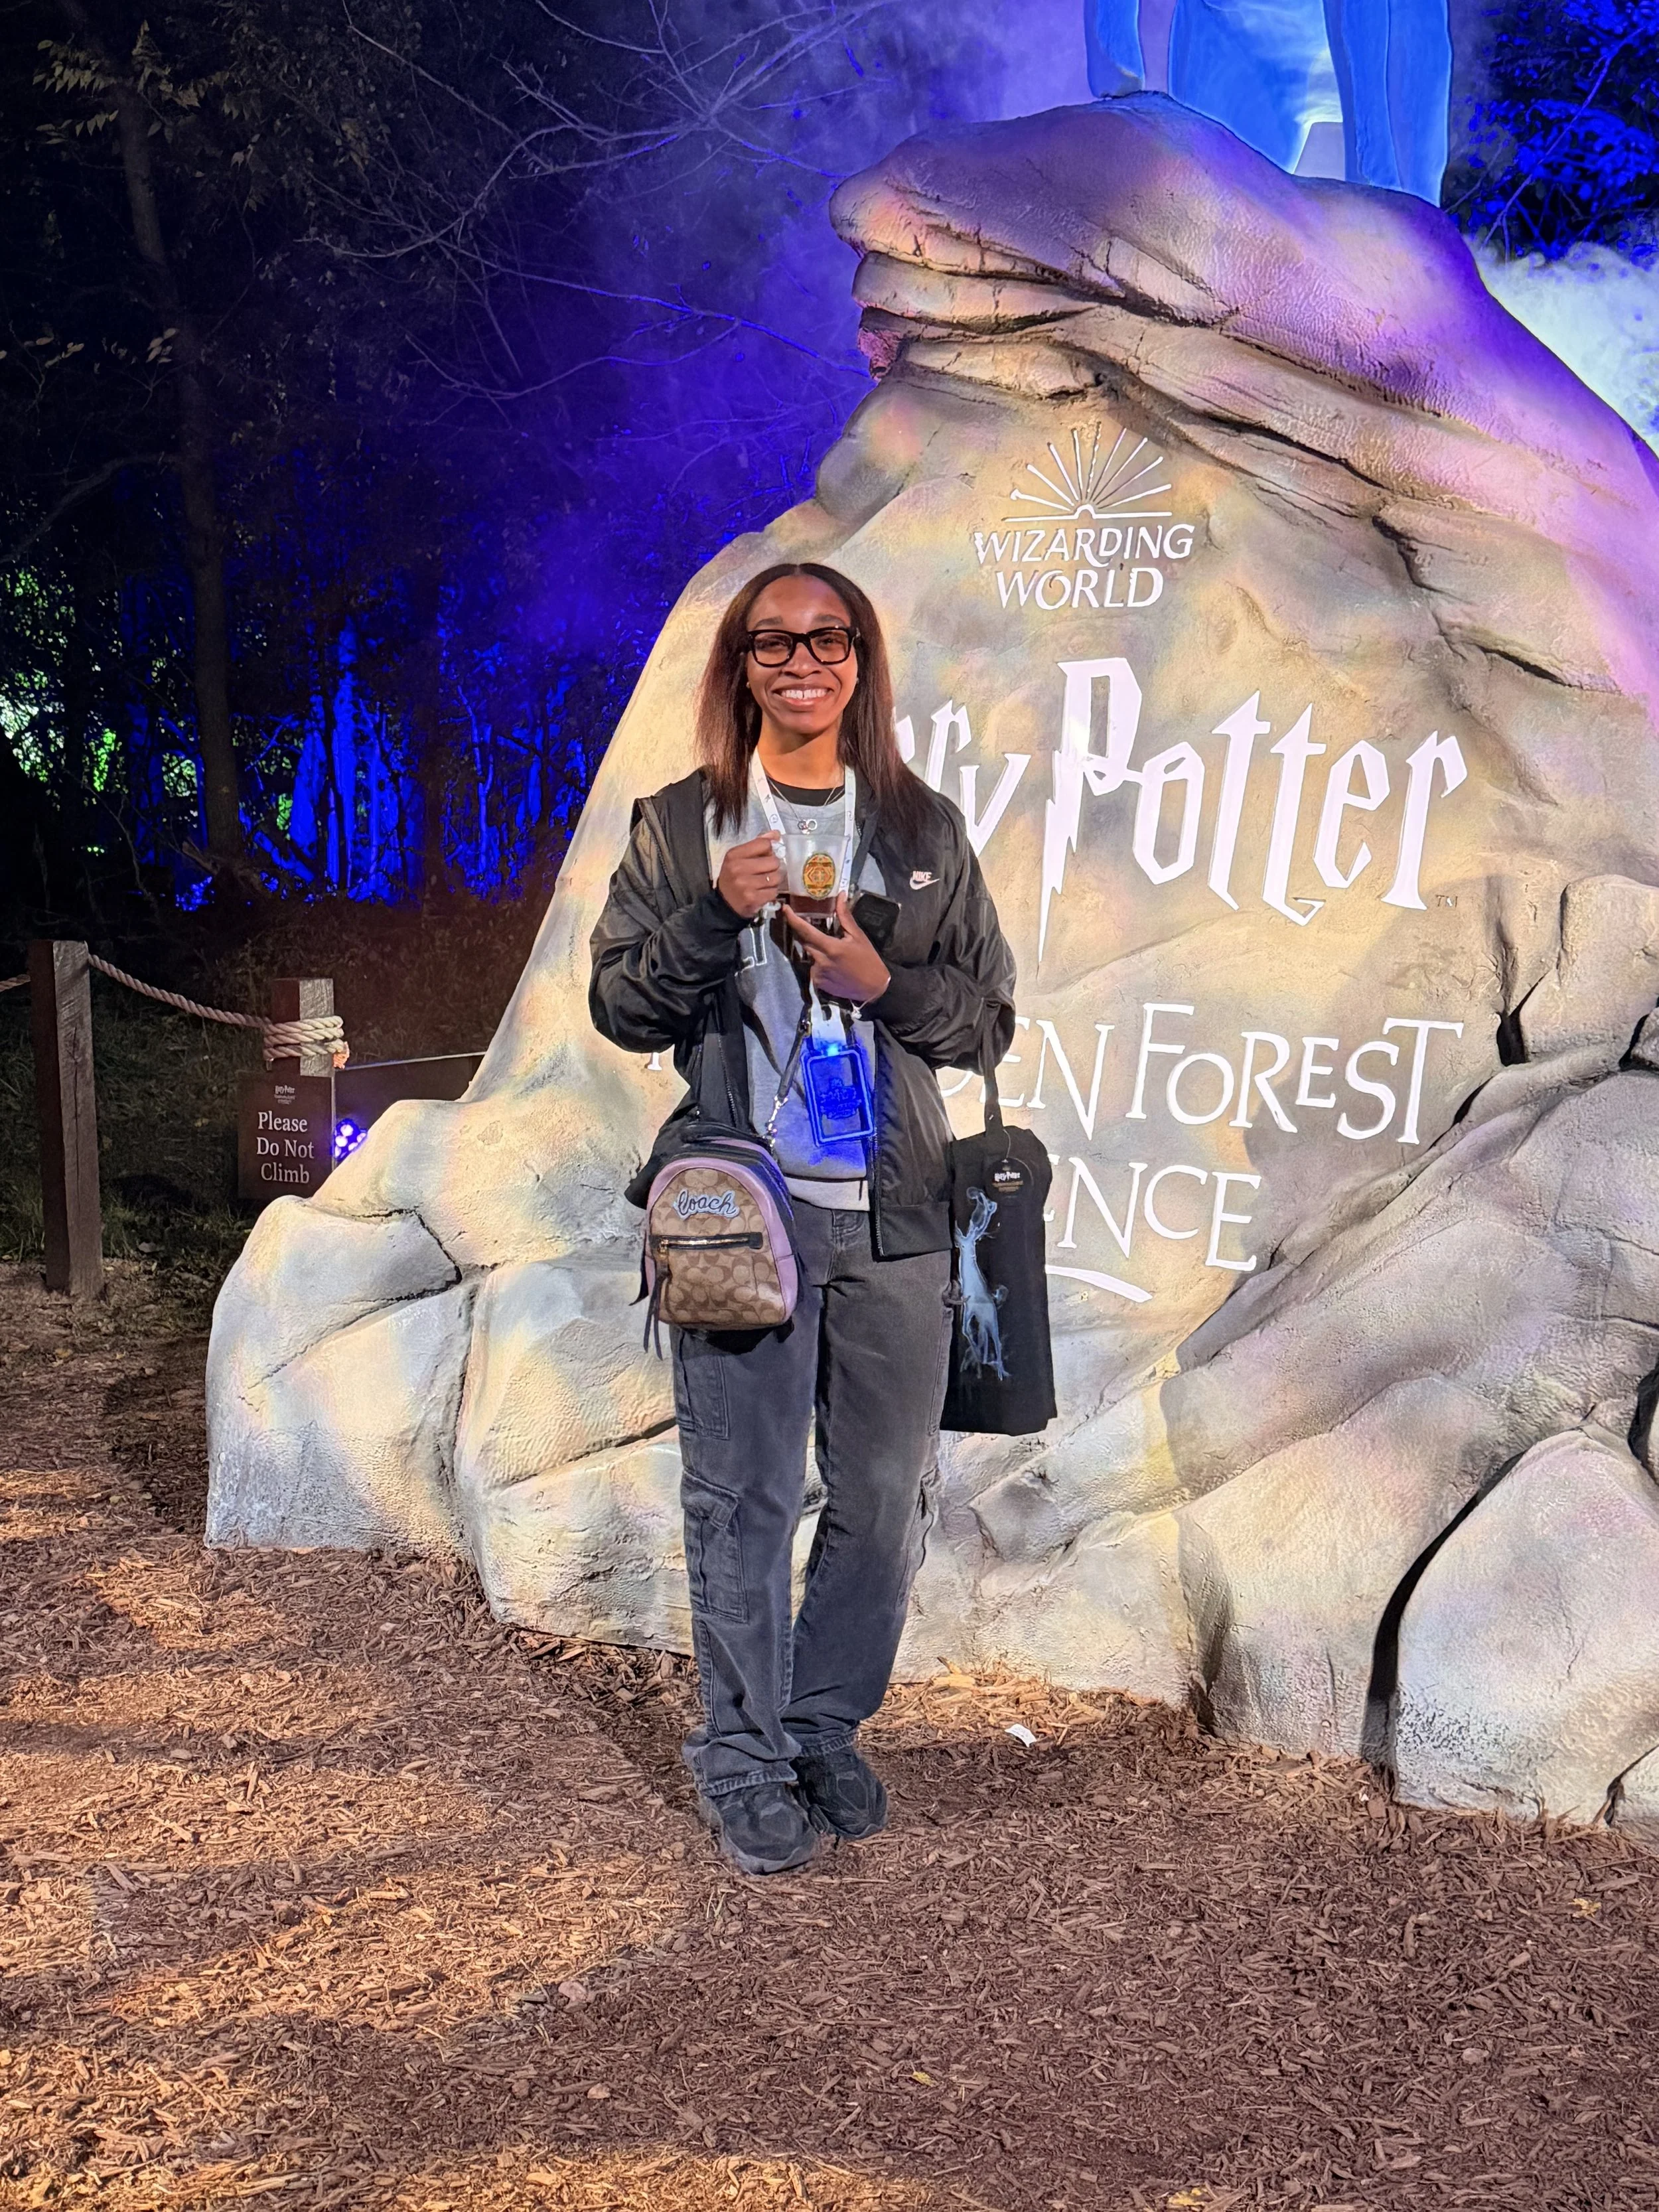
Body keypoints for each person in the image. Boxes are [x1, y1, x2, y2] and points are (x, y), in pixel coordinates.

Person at [589, 561, 1017, 1876]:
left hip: (892, 1218)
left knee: (883, 1495)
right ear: (738, 669)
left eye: (824, 637)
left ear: (858, 663)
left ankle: (821, 1722)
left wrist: (884, 981)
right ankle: (736, 1750)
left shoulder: (924, 828)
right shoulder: (678, 828)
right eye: (770, 640)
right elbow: (621, 1009)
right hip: (735, 1211)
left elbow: (985, 1017)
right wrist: (715, 922)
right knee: (743, 1495)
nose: (799, 657)